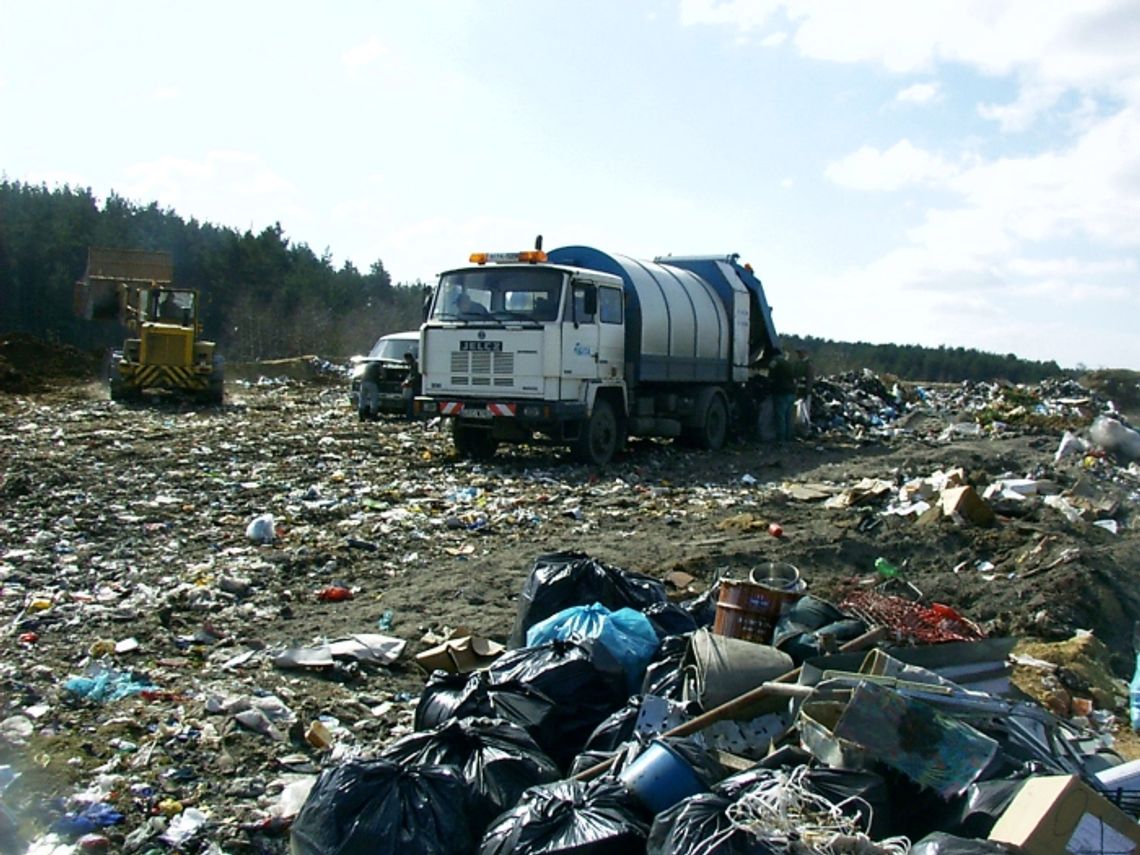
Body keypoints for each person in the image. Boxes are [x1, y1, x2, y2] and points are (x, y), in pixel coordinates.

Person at [768, 353, 797, 442]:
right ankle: (788, 436)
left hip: (781, 392)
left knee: (780, 416)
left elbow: (771, 375)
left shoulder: (774, 362)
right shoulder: (788, 363)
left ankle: (781, 438)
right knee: (788, 416)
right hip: (791, 392)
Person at [401, 352, 422, 420]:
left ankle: (411, 417)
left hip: (418, 386)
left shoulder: (415, 365)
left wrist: (408, 382)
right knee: (412, 402)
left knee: (412, 402)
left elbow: (416, 376)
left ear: (409, 358)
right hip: (415, 386)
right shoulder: (413, 364)